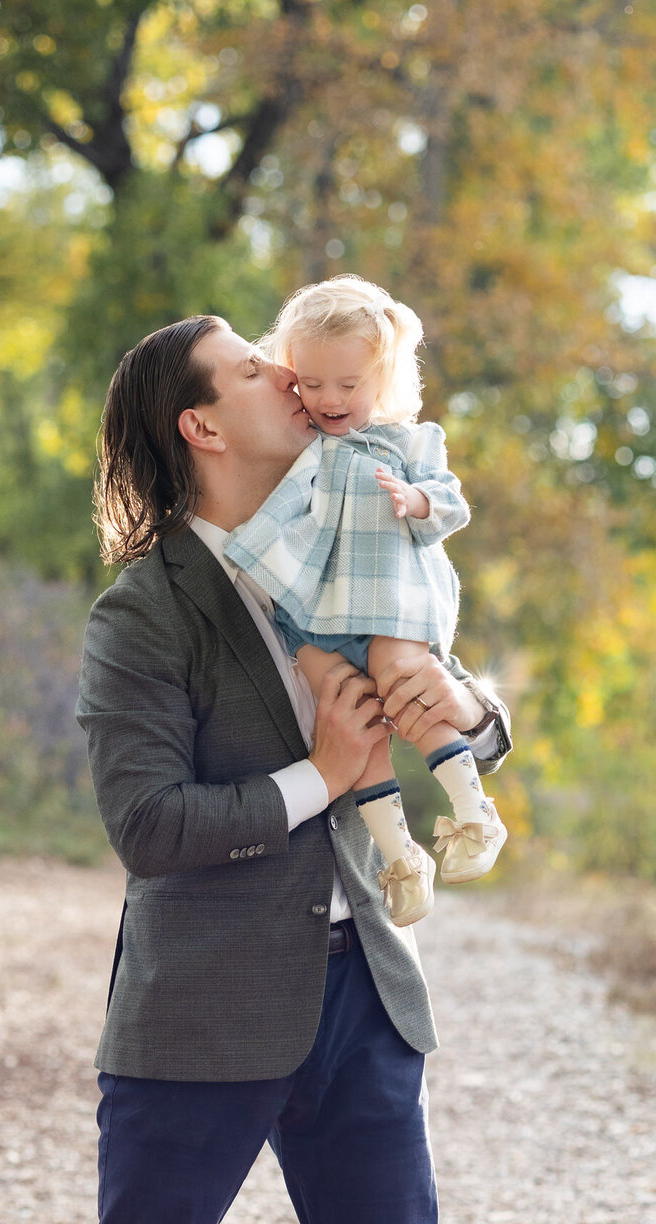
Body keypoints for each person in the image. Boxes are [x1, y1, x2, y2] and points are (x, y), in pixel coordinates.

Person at [0, 315, 511, 1224]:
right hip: (197, 1013)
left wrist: (468, 710)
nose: (293, 377)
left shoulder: (355, 523)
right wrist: (329, 772)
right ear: (206, 426)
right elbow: (149, 825)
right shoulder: (143, 611)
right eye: (258, 370)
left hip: (361, 1003)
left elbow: (449, 695)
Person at [224, 275, 507, 930]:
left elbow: (452, 502)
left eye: (347, 386)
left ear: (381, 380)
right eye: (311, 383)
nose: (328, 399)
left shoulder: (411, 442)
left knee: (407, 687)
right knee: (348, 721)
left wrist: (415, 503)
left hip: (389, 599)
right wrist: (241, 554)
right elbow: (278, 517)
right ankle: (400, 855)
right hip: (318, 612)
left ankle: (473, 813)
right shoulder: (303, 454)